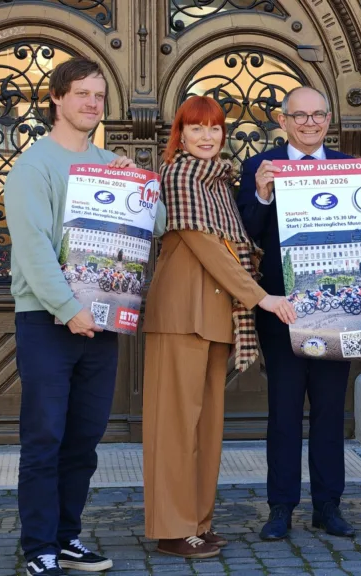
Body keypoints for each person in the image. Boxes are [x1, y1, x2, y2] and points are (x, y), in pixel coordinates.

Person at [5, 57, 166, 576]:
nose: (92, 104)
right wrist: (69, 310)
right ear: (56, 98)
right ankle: (38, 548)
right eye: (81, 94)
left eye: (98, 95)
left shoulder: (105, 162)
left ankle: (67, 537)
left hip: (101, 322)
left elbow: (154, 225)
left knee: (83, 439)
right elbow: (31, 250)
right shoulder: (35, 168)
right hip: (48, 322)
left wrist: (135, 183)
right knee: (45, 438)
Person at [141, 95, 295, 558]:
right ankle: (171, 529)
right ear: (180, 134)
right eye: (196, 128)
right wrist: (261, 297)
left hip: (215, 319)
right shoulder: (180, 174)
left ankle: (197, 522)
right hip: (180, 317)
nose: (207, 137)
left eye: (214, 128)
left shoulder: (220, 182)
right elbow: (208, 247)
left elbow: (238, 242)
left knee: (206, 430)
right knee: (174, 429)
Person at [237, 86, 356, 540]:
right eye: (299, 115)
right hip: (281, 309)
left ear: (329, 119)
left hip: (337, 312)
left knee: (330, 410)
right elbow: (245, 235)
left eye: (318, 115)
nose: (310, 123)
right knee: (283, 411)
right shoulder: (258, 167)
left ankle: (328, 505)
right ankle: (281, 507)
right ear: (282, 121)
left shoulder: (349, 168)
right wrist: (263, 195)